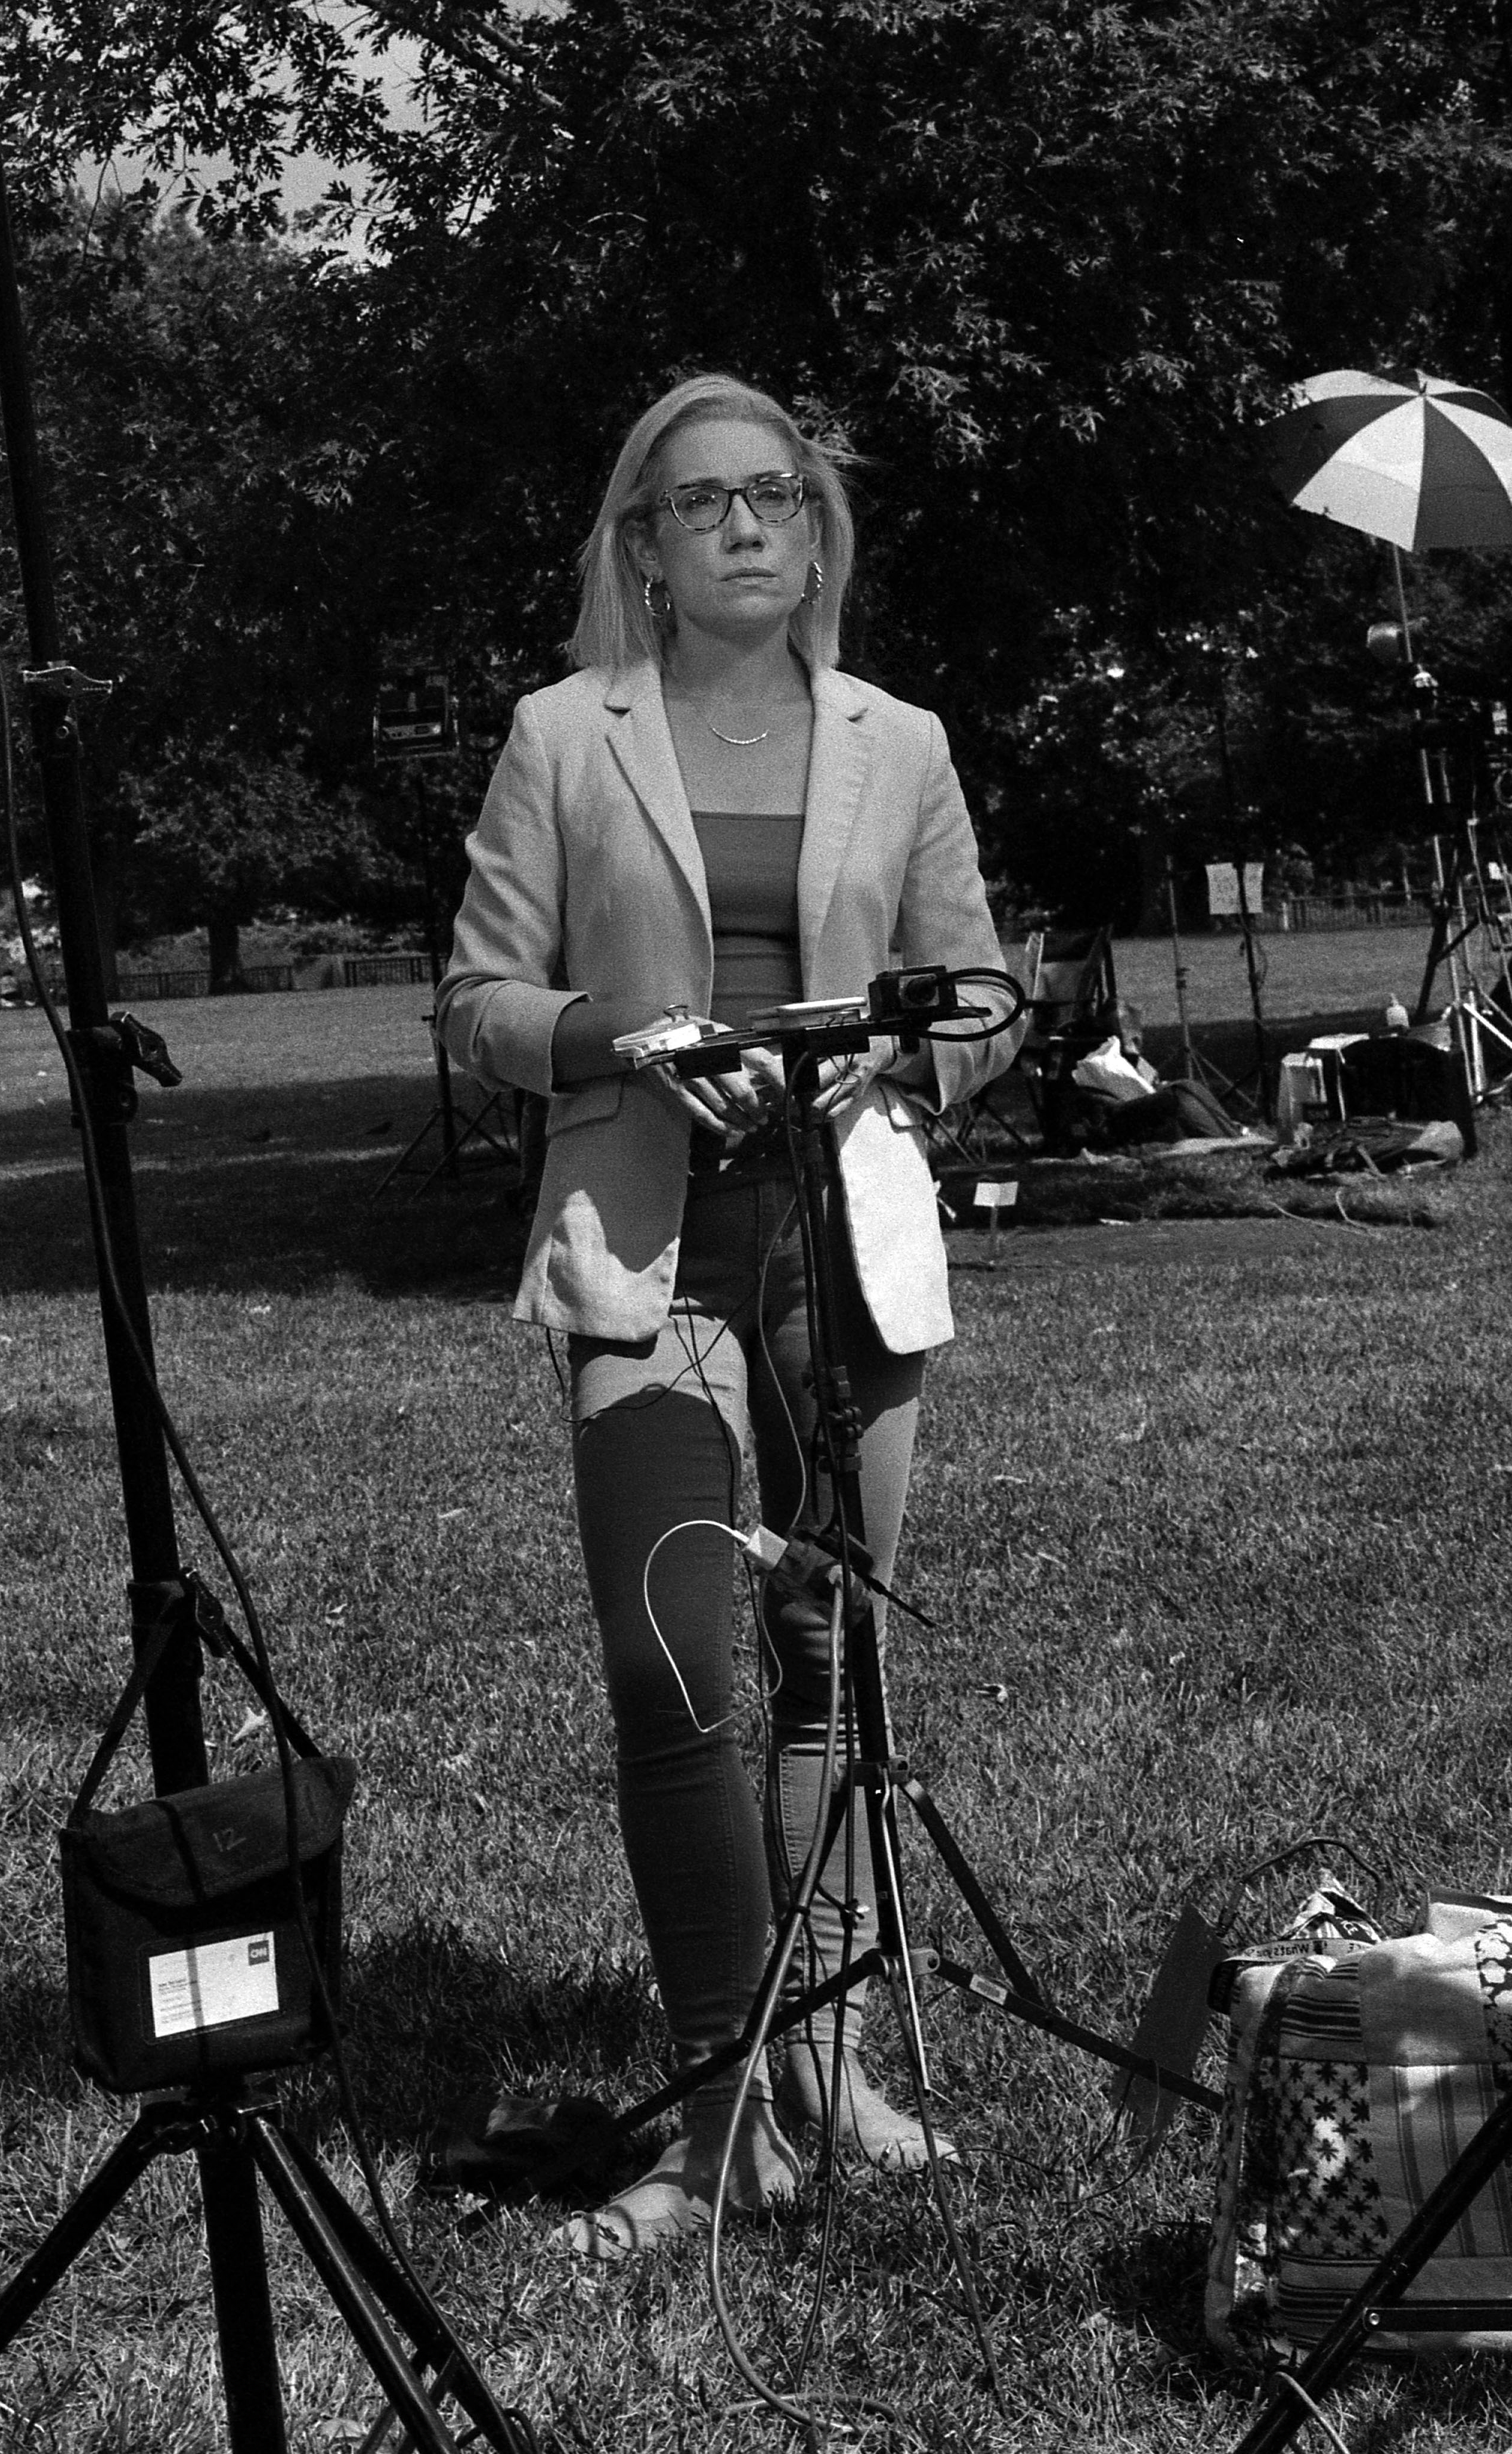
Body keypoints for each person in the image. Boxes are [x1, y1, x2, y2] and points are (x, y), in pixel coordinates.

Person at [438, 373, 1012, 2259]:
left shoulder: (897, 741)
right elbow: (476, 1004)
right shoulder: (560, 735)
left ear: (813, 528)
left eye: (774, 496)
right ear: (642, 547)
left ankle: (826, 2056)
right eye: (700, 506)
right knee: (678, 1678)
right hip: (647, 1258)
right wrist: (615, 1041)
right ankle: (710, 2126)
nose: (745, 527)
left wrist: (914, 1067)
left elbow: (982, 995)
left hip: (840, 1254)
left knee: (823, 1673)